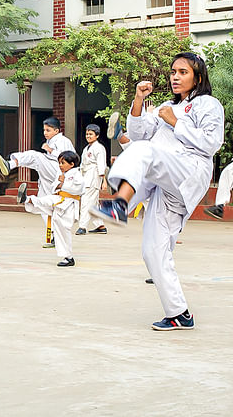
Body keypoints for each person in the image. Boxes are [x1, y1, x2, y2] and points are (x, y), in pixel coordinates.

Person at [92, 53, 224, 330]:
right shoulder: (166, 106)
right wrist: (139, 101)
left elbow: (212, 143)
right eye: (173, 72)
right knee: (153, 251)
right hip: (164, 180)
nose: (175, 77)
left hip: (189, 171)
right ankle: (179, 314)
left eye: (182, 72)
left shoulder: (208, 105)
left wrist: (177, 122)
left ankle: (120, 204)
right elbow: (139, 133)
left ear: (197, 77)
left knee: (144, 153)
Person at [18, 151, 84, 267]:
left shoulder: (76, 174)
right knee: (44, 202)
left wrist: (63, 184)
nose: (60, 165)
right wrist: (59, 184)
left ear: (72, 164)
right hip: (60, 199)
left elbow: (79, 188)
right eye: (59, 162)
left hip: (68, 205)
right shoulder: (63, 174)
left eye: (63, 163)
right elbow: (54, 186)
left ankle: (68, 257)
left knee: (63, 231)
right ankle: (27, 199)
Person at [0, 116, 75, 202]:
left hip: (61, 171)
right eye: (44, 130)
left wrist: (50, 150)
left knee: (35, 156)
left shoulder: (63, 140)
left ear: (56, 131)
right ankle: (26, 199)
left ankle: (10, 164)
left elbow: (69, 158)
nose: (45, 133)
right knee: (44, 197)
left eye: (48, 130)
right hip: (52, 173)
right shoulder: (50, 141)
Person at [76, 124, 107, 235]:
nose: (88, 136)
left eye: (91, 134)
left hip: (94, 176)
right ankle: (100, 225)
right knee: (93, 203)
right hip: (86, 175)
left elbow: (101, 164)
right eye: (87, 134)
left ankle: (82, 226)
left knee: (86, 201)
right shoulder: (86, 148)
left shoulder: (99, 148)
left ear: (97, 135)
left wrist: (104, 180)